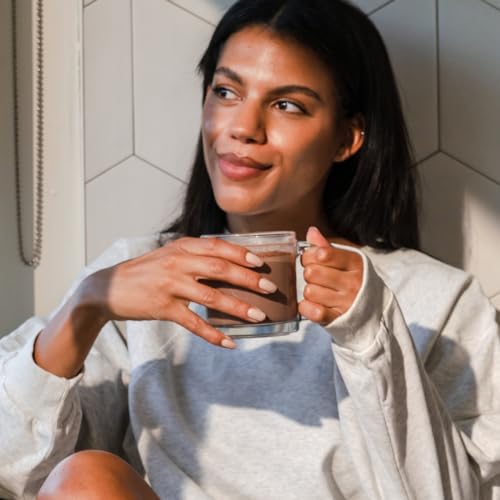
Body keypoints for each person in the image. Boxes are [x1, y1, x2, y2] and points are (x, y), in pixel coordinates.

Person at [1, 0, 499, 498]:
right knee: (84, 477)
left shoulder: (439, 302)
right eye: (226, 92)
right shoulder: (138, 276)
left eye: (287, 105)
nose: (243, 127)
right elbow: (15, 466)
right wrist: (87, 306)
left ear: (347, 137)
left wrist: (371, 334)